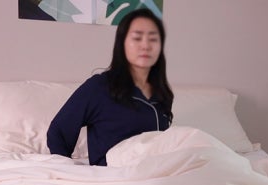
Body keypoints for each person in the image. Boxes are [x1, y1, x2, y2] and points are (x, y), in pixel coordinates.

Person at [47, 8, 173, 166]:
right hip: (111, 175)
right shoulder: (99, 87)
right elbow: (58, 131)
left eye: (153, 39)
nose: (146, 45)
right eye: (137, 38)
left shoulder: (163, 94)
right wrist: (67, 170)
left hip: (156, 174)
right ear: (122, 43)